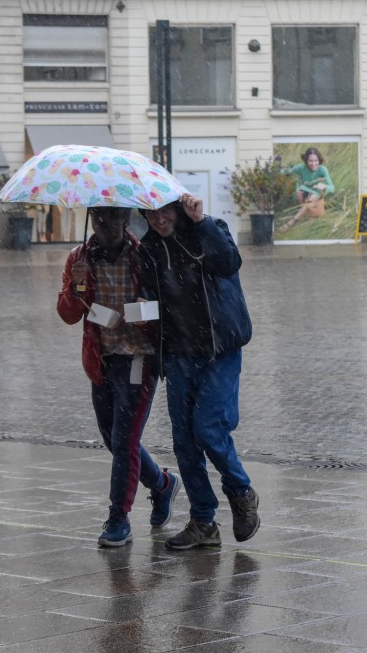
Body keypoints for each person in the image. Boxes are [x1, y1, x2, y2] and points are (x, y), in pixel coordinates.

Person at [138, 193, 260, 550]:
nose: (158, 220)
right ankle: (203, 521)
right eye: (149, 214)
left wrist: (201, 221)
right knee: (184, 441)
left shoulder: (208, 229)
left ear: (176, 207)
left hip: (219, 348)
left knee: (208, 427)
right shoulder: (148, 249)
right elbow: (147, 300)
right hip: (178, 353)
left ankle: (240, 491)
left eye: (163, 212)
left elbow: (228, 263)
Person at [57, 207, 182, 548]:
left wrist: (143, 313)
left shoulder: (146, 256)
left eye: (111, 218)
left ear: (126, 220)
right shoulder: (79, 258)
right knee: (114, 440)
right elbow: (69, 314)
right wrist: (78, 286)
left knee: (125, 440)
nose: (103, 225)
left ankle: (119, 517)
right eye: (97, 218)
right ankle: (162, 484)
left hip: (138, 358)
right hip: (102, 359)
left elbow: (169, 309)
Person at [278, 147, 334, 231]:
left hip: (316, 195)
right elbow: (289, 171)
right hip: (303, 192)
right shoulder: (301, 167)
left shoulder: (322, 169)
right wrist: (277, 171)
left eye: (316, 160)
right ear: (306, 161)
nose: (314, 163)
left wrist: (324, 187)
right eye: (311, 161)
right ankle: (304, 215)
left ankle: (293, 221)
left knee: (311, 198)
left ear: (319, 160)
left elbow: (332, 187)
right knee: (299, 191)